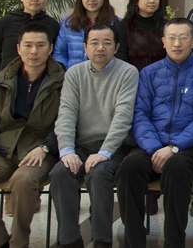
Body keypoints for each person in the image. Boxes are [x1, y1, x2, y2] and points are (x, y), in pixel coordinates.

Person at [116, 18, 193, 248]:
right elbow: (140, 114)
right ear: (163, 41)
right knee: (129, 168)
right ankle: (134, 241)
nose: (177, 43)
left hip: (188, 149)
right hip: (151, 145)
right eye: (172, 38)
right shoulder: (149, 73)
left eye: (183, 38)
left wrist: (173, 147)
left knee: (176, 168)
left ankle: (174, 242)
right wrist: (155, 148)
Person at [0, 24, 64, 248]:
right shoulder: (1, 80)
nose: (34, 51)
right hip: (3, 149)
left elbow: (68, 123)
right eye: (28, 45)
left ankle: (19, 242)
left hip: (39, 151)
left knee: (23, 181)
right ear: (18, 48)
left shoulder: (63, 81)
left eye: (40, 45)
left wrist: (46, 147)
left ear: (50, 48)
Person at [50, 23, 138, 248]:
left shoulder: (128, 72)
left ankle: (101, 241)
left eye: (107, 43)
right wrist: (67, 150)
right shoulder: (74, 73)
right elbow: (66, 114)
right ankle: (69, 241)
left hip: (115, 146)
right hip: (82, 145)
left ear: (116, 47)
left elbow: (123, 116)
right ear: (85, 47)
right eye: (94, 43)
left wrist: (105, 152)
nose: (100, 48)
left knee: (99, 175)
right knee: (61, 173)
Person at [0, 0, 60, 75]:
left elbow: (57, 54)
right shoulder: (5, 23)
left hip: (43, 80)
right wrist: (1, 76)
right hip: (9, 79)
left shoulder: (53, 25)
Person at [54, 0, 119, 68]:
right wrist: (67, 72)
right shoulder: (67, 24)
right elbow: (60, 54)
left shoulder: (116, 23)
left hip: (107, 75)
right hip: (74, 75)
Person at [116, 0, 167, 70]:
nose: (152, 1)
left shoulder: (167, 26)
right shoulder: (124, 26)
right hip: (133, 75)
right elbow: (121, 57)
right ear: (136, 0)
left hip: (161, 75)